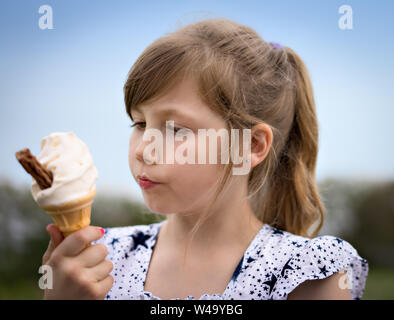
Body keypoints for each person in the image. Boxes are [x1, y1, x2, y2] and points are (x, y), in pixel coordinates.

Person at [42, 18, 368, 300]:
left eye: (175, 129)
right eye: (140, 123)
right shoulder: (99, 259)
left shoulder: (307, 272)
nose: (143, 150)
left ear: (251, 145)